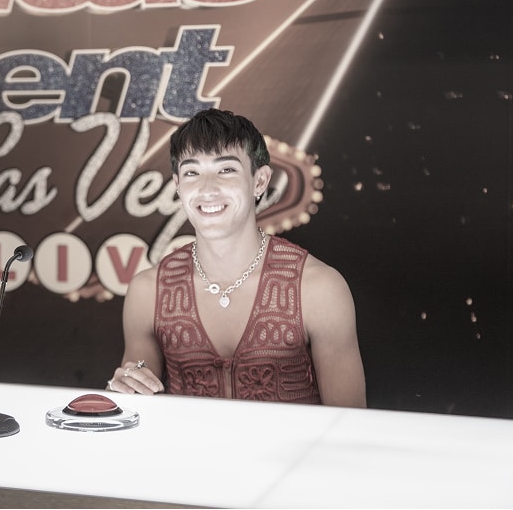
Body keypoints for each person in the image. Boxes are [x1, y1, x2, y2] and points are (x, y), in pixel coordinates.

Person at [107, 108, 366, 407]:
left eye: (226, 170)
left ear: (260, 181)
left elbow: (350, 423)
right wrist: (126, 388)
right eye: (192, 173)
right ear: (178, 185)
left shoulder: (319, 288)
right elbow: (138, 406)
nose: (207, 189)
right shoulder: (147, 291)